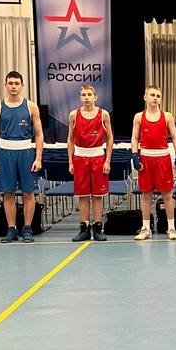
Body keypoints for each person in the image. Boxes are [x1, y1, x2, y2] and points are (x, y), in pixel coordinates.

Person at [0, 71, 44, 243]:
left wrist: (38, 158)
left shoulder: (31, 106)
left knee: (29, 192)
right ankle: (11, 229)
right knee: (8, 193)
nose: (13, 86)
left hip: (26, 152)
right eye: (10, 83)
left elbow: (39, 134)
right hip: (5, 152)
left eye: (16, 83)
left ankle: (27, 228)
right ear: (5, 85)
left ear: (22, 86)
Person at [129, 86, 176, 241]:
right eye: (152, 95)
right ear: (145, 97)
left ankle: (171, 228)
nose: (155, 98)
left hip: (163, 158)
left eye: (158, 96)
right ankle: (146, 228)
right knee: (146, 195)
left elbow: (175, 137)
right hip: (146, 158)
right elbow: (134, 138)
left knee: (168, 195)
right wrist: (135, 155)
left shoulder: (167, 116)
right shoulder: (139, 117)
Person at [65, 84, 114, 242]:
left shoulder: (103, 114)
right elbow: (70, 139)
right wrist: (70, 161)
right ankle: (84, 228)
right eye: (84, 95)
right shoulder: (74, 115)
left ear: (95, 97)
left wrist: (107, 160)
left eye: (89, 94)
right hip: (80, 157)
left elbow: (110, 138)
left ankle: (98, 227)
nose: (86, 97)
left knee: (98, 195)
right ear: (80, 98)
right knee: (83, 195)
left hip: (98, 157)